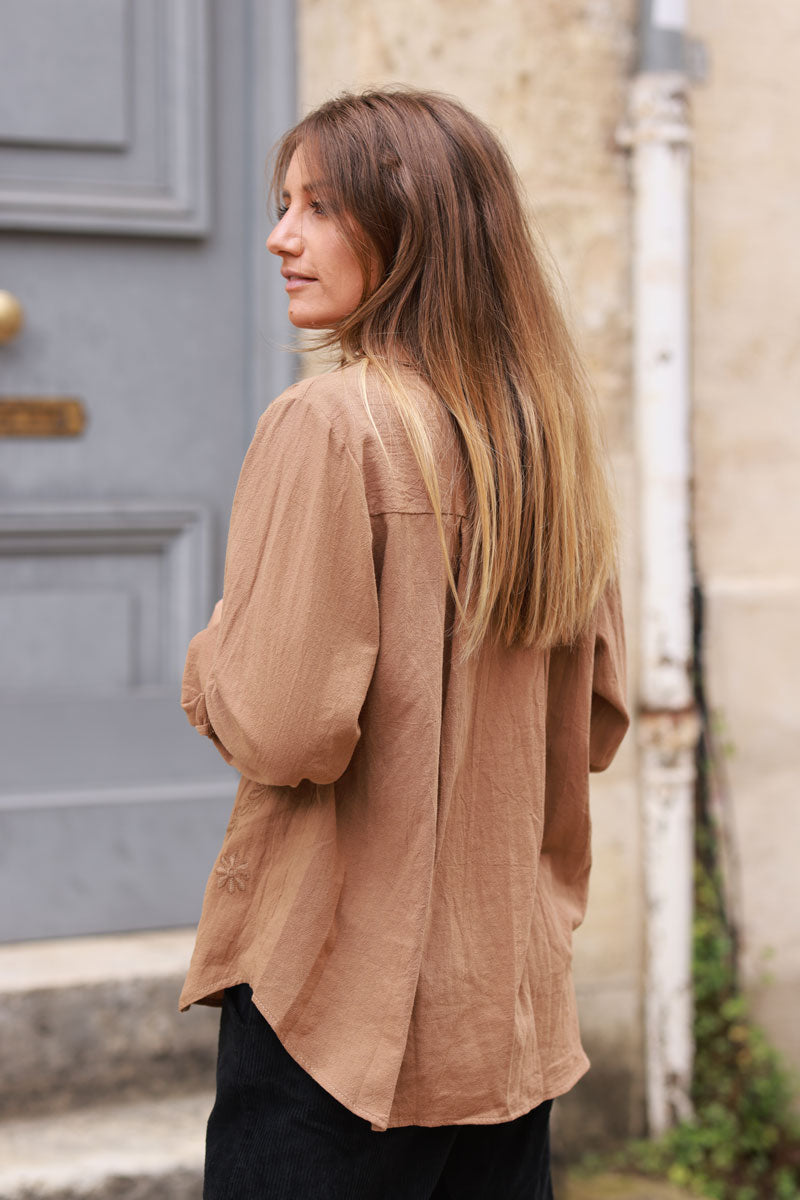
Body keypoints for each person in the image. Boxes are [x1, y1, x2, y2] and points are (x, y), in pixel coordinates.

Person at [179, 88, 629, 1200]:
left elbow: (286, 729)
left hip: (340, 1001)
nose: (280, 236)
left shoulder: (330, 423)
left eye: (319, 206)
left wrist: (210, 662)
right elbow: (601, 718)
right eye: (283, 204)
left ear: (412, 225)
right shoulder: (544, 443)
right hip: (505, 1002)